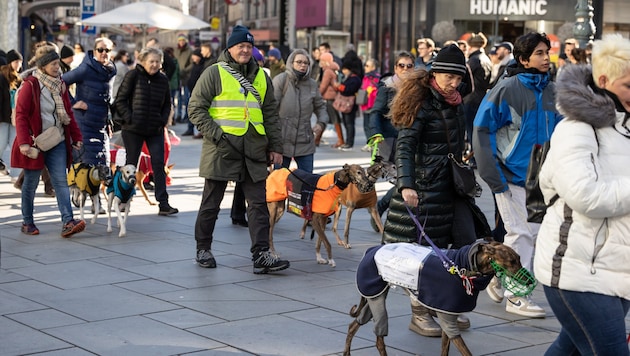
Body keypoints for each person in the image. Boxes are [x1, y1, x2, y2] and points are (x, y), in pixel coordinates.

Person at [534, 33, 630, 356]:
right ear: (604, 79)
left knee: (569, 349)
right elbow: (585, 196)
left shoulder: (624, 127)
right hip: (578, 270)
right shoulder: (576, 128)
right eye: (629, 86)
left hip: (616, 268)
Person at [382, 44, 480, 337]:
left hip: (449, 185)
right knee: (421, 253)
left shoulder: (454, 101)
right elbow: (405, 146)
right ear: (434, 73)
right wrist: (406, 184)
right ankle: (419, 313)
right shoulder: (422, 101)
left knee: (451, 248)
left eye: (457, 77)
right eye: (448, 76)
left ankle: (440, 304)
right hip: (423, 188)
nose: (453, 82)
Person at [473, 32, 563, 318]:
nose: (545, 57)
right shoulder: (506, 89)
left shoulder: (553, 90)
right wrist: (494, 178)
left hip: (543, 178)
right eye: (538, 53)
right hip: (510, 176)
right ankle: (517, 296)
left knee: (533, 235)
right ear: (523, 59)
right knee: (521, 234)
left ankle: (500, 277)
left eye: (546, 52)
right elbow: (481, 130)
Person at [187, 25, 290, 274]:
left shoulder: (262, 76)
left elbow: (270, 115)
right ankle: (203, 248)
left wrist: (276, 146)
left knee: (258, 204)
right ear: (230, 48)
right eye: (240, 46)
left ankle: (261, 255)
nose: (245, 50)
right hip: (221, 148)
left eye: (248, 46)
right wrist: (218, 135)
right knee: (211, 203)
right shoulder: (214, 73)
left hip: (254, 148)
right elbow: (195, 109)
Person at [11, 44, 85, 237]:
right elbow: (20, 115)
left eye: (57, 64)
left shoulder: (60, 84)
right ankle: (27, 222)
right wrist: (24, 142)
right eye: (53, 64)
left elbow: (68, 112)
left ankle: (68, 221)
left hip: (57, 139)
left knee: (60, 180)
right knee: (31, 183)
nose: (57, 67)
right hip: (36, 142)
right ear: (43, 66)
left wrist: (76, 137)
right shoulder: (31, 85)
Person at [114, 47, 178, 216]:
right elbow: (120, 100)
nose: (155, 65)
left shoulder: (162, 80)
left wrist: (162, 121)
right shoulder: (132, 76)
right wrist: (130, 118)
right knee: (131, 165)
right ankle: (124, 199)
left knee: (159, 164)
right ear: (143, 61)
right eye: (152, 61)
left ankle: (163, 203)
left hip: (155, 129)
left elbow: (167, 105)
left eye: (158, 62)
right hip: (133, 129)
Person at [369, 51, 415, 231]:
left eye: (409, 65)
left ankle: (384, 207)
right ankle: (385, 210)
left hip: (411, 139)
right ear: (395, 68)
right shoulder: (387, 87)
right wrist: (376, 134)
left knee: (405, 179)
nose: (405, 69)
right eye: (401, 65)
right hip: (391, 140)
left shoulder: (418, 87)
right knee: (401, 180)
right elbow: (375, 112)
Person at [62, 37, 116, 170]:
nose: (104, 53)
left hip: (101, 123)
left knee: (103, 164)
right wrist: (73, 103)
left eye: (107, 50)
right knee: (85, 164)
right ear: (94, 51)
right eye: (100, 50)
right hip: (84, 122)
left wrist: (109, 120)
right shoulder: (85, 69)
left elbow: (107, 98)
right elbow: (60, 82)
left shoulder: (110, 71)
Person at [272, 48, 328, 172]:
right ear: (291, 63)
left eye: (305, 63)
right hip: (282, 142)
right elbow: (270, 109)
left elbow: (320, 107)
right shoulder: (281, 80)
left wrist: (321, 123)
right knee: (278, 183)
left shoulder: (312, 85)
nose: (302, 65)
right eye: (299, 62)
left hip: (305, 141)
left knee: (307, 182)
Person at [463, 32, 492, 163]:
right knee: (477, 131)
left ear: (471, 46)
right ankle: (477, 158)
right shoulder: (486, 58)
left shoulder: (473, 60)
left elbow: (465, 79)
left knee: (471, 131)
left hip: (471, 99)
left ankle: (474, 159)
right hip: (481, 98)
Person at [0, 50, 23, 181]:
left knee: (17, 144)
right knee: (1, 144)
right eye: (16, 62)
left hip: (16, 118)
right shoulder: (2, 78)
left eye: (20, 62)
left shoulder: (19, 78)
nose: (18, 64)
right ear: (10, 63)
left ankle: (16, 175)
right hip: (3, 117)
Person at [336, 59, 362, 151]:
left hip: (350, 104)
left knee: (350, 123)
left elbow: (348, 90)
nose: (343, 71)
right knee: (347, 123)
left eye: (344, 69)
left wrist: (340, 87)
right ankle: (347, 142)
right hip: (346, 104)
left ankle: (349, 143)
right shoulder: (349, 77)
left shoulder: (354, 79)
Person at [319, 52, 343, 148]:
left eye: (322, 60)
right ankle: (317, 139)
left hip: (329, 98)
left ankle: (341, 140)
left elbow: (323, 86)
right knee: (327, 118)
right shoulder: (333, 69)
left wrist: (317, 94)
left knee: (332, 118)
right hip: (332, 97)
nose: (320, 63)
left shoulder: (327, 71)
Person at [359, 58, 380, 151]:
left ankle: (372, 144)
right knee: (366, 125)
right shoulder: (365, 77)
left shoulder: (377, 78)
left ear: (373, 67)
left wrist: (371, 91)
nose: (365, 67)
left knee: (372, 125)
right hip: (365, 104)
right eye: (365, 65)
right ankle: (369, 143)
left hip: (373, 104)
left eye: (367, 66)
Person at [174, 34, 193, 123]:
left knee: (186, 97)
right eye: (180, 40)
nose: (181, 42)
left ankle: (186, 115)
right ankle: (178, 115)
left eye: (183, 40)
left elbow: (192, 64)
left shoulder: (189, 51)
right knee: (178, 98)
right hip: (177, 77)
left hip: (186, 77)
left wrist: (184, 70)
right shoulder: (176, 51)